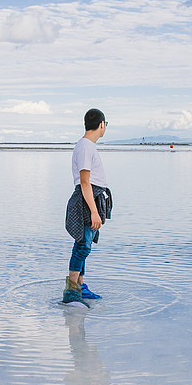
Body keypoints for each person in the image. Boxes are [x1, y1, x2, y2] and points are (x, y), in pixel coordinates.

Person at [63, 108, 112, 307]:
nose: (105, 127)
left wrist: (100, 210)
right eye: (106, 124)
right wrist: (93, 211)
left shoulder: (88, 146)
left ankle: (80, 287)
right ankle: (71, 291)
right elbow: (85, 182)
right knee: (82, 245)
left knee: (84, 244)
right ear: (101, 124)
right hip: (85, 199)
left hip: (91, 198)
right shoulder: (85, 147)